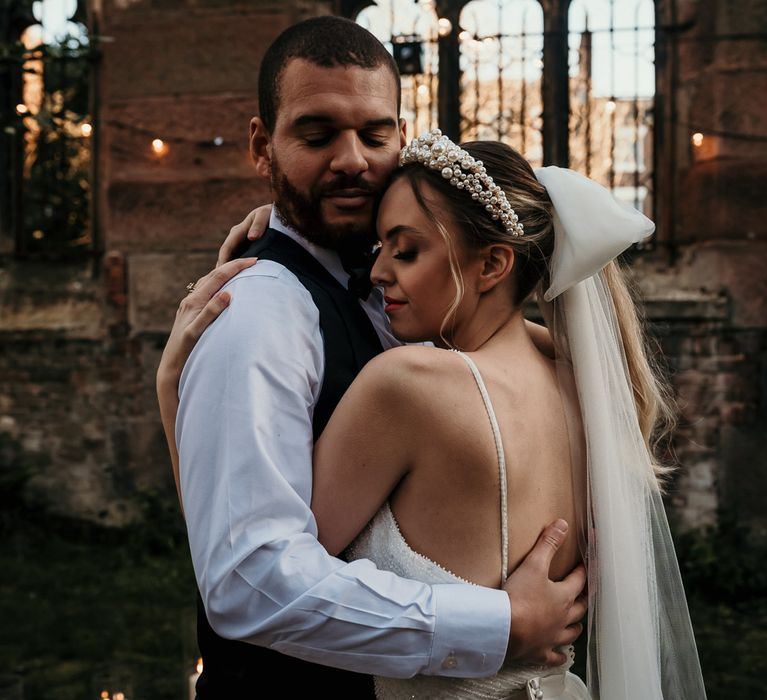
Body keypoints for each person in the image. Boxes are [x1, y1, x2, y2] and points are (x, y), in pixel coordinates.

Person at [161, 130, 707, 698]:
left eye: (406, 250)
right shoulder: (580, 382)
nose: (376, 272)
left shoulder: (409, 388)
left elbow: (253, 575)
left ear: (493, 263)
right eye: (380, 247)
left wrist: (174, 394)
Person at [156, 16, 587, 699]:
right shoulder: (260, 314)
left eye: (375, 134)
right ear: (261, 146)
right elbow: (247, 579)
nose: (353, 159)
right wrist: (497, 624)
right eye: (317, 134)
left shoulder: (422, 303)